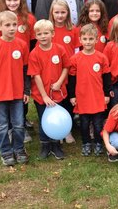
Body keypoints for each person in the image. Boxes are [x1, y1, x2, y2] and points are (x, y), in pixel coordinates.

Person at [0, 11, 31, 166]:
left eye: (14, 25)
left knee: (18, 124)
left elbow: (25, 70)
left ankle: (19, 149)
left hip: (17, 94)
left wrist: (26, 91)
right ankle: (6, 152)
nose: (11, 28)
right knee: (2, 125)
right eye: (7, 25)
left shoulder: (21, 45)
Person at [27, 19, 70, 160]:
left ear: (52, 33)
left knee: (57, 119)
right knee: (44, 119)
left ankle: (56, 145)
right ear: (36, 36)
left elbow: (66, 67)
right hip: (41, 96)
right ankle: (45, 145)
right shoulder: (34, 54)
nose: (43, 36)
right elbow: (36, 76)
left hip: (58, 93)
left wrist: (59, 82)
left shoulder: (60, 49)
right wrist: (44, 96)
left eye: (46, 33)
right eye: (39, 34)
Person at [68, 24, 112, 157]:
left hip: (97, 96)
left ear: (97, 40)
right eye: (85, 39)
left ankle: (98, 143)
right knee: (84, 123)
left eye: (91, 39)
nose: (88, 42)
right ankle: (86, 143)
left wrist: (106, 94)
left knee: (98, 123)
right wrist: (72, 96)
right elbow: (71, 79)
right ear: (80, 40)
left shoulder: (101, 57)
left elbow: (107, 77)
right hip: (82, 97)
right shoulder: (75, 59)